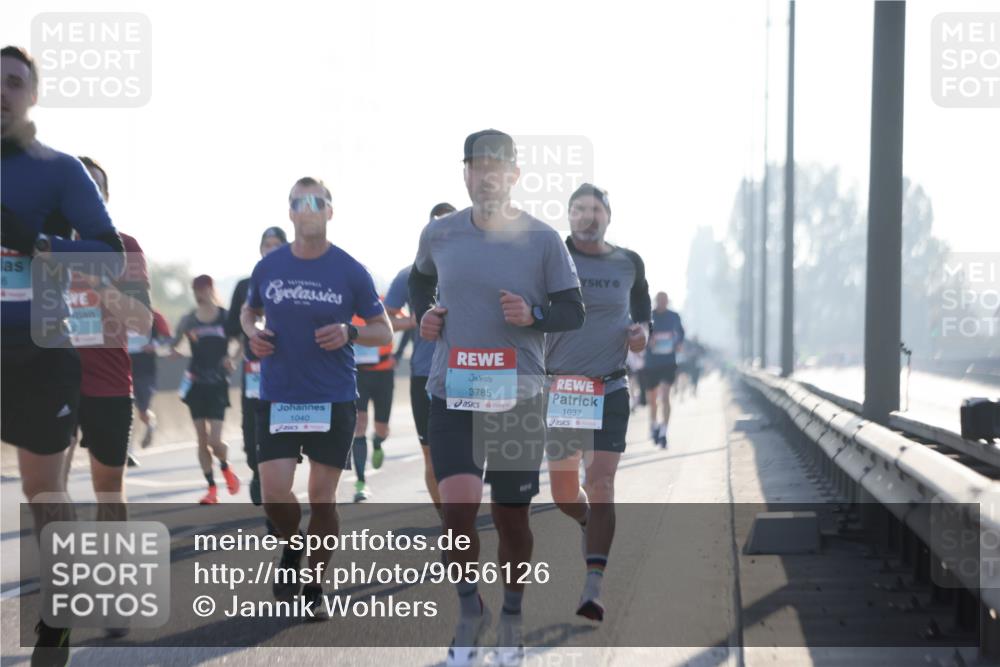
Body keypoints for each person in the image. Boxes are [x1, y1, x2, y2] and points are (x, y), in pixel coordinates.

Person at [409, 130, 583, 666]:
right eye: (476, 166)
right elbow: (420, 283)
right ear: (465, 173)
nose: (485, 176)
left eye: (496, 167)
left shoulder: (543, 239)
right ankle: (469, 611)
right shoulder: (440, 234)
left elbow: (572, 312)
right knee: (457, 512)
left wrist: (534, 317)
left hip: (517, 398)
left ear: (514, 176)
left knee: (512, 520)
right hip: (452, 392)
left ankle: (511, 612)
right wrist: (426, 315)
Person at [1, 45, 125, 667]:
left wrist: (35, 241)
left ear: (33, 94)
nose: (1, 92)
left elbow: (108, 257)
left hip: (40, 349)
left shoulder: (60, 170)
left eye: (13, 82)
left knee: (43, 490)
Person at [241, 176, 392, 619]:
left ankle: (314, 584)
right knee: (273, 494)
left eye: (317, 201)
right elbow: (249, 311)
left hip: (332, 396)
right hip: (280, 395)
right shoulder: (268, 268)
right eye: (298, 202)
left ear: (329, 210)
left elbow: (382, 330)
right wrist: (253, 333)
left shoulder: (349, 269)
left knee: (322, 498)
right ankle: (293, 546)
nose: (308, 208)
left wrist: (351, 331)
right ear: (290, 212)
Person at [544, 183, 649, 623]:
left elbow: (642, 314)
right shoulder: (549, 256)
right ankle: (586, 520)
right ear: (568, 216)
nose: (588, 216)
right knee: (566, 493)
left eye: (595, 209)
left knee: (602, 481)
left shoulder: (629, 263)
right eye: (579, 209)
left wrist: (641, 334)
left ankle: (593, 585)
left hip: (610, 386)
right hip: (563, 389)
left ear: (609, 215)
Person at [384, 201, 456, 511]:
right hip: (424, 373)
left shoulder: (472, 268)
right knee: (430, 452)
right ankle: (447, 518)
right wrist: (417, 319)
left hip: (466, 372)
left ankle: (462, 508)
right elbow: (386, 320)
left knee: (467, 451)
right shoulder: (408, 275)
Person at [226, 226, 288, 506]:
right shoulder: (245, 285)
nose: (271, 249)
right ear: (260, 249)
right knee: (251, 432)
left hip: (287, 371)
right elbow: (233, 328)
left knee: (282, 435)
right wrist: (229, 355)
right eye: (267, 244)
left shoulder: (295, 283)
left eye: (277, 244)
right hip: (253, 372)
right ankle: (256, 470)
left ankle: (278, 492)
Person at [171, 274, 240, 504]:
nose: (199, 294)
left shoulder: (225, 317)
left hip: (218, 384)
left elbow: (242, 341)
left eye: (203, 289)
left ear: (211, 289)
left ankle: (226, 468)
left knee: (214, 440)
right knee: (202, 440)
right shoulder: (189, 320)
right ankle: (211, 489)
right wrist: (174, 351)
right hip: (196, 384)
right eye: (196, 290)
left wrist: (234, 359)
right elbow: (173, 344)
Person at [350, 293, 411, 501]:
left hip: (383, 374)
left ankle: (377, 442)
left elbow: (408, 324)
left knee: (382, 428)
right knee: (359, 424)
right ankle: (360, 483)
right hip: (358, 374)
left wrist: (399, 353)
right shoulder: (343, 304)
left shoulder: (384, 303)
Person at [643, 291, 685, 448]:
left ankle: (664, 431)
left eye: (665, 300)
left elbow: (681, 334)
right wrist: (648, 341)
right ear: (656, 301)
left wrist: (679, 343)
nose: (662, 303)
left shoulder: (674, 317)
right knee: (653, 400)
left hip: (668, 362)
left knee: (666, 397)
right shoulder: (649, 317)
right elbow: (641, 334)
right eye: (659, 300)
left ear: (668, 301)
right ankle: (653, 424)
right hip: (652, 363)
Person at [129, 309, 171, 448]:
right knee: (124, 408)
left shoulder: (154, 315)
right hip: (123, 370)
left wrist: (154, 345)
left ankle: (150, 424)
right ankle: (127, 449)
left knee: (143, 410)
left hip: (146, 370)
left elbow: (167, 337)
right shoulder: (117, 314)